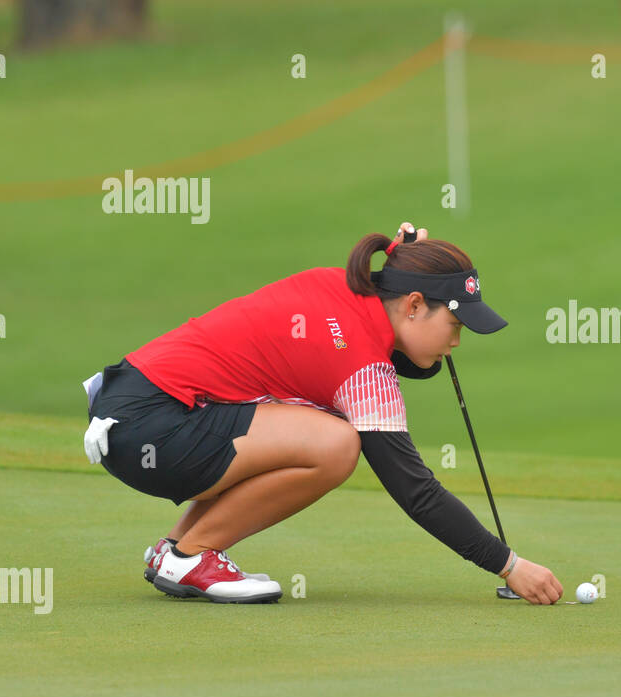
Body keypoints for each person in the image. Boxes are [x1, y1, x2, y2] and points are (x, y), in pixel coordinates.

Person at [80, 223, 564, 605]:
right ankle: (191, 556)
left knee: (311, 427)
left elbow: (374, 349)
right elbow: (415, 490)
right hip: (157, 431)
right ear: (414, 304)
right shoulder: (362, 368)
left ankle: (175, 550)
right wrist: (509, 565)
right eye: (454, 324)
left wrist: (415, 265)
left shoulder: (335, 288)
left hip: (133, 414)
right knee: (337, 445)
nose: (456, 341)